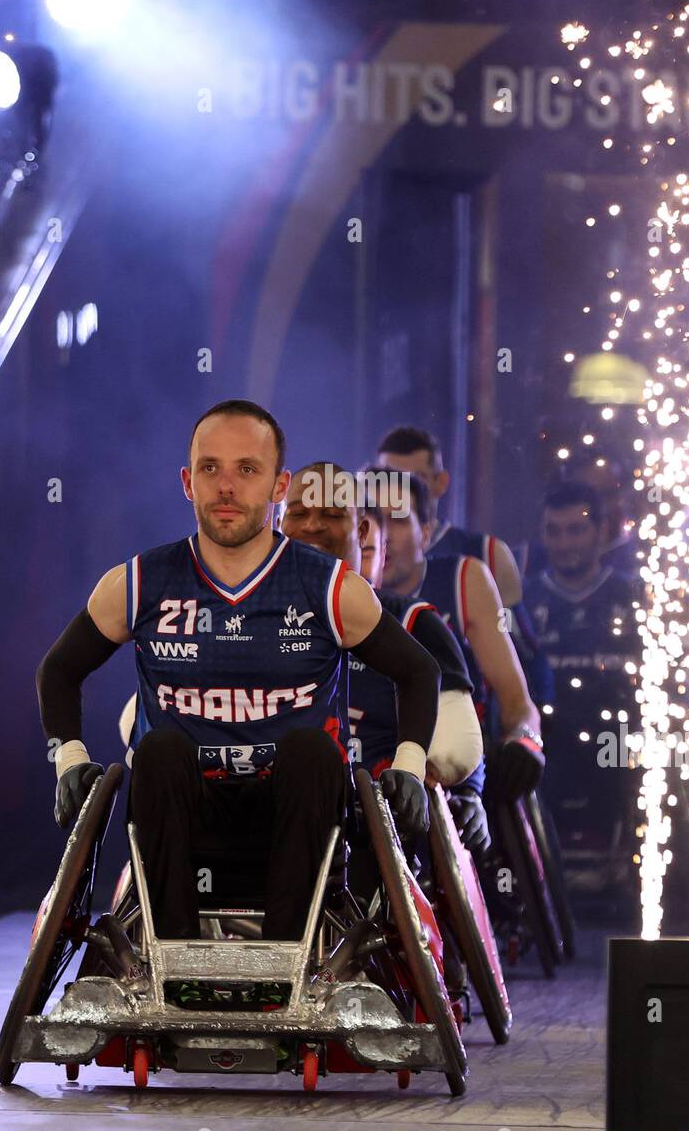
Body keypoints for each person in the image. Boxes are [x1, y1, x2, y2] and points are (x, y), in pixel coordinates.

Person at [35, 400, 441, 942]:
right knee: (156, 751)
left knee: (313, 751)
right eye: (211, 469)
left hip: (299, 806)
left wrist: (410, 766)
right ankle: (171, 961)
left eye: (247, 469)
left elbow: (419, 671)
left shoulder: (331, 586)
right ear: (188, 482)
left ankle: (289, 959)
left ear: (278, 486)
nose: (226, 487)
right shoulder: (138, 582)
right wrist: (69, 760)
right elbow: (59, 669)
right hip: (185, 812)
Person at [280, 461, 489, 854]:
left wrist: (464, 789)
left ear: (364, 538)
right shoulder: (245, 612)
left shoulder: (416, 622)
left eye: (331, 514)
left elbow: (457, 748)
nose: (312, 527)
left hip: (376, 831)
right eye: (299, 514)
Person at [377, 471, 544, 803]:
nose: (383, 536)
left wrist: (526, 741)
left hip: (459, 774)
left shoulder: (464, 578)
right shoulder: (334, 586)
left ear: (425, 534)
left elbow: (517, 701)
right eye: (372, 519)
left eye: (396, 520)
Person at [525, 481, 641, 885]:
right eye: (554, 531)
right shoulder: (525, 600)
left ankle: (624, 869)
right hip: (548, 735)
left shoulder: (634, 596)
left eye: (576, 529)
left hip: (619, 734)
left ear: (601, 531)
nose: (564, 542)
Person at [376, 426, 525, 607]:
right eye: (389, 478)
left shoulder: (487, 553)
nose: (400, 490)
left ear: (441, 482)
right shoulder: (356, 553)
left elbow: (514, 634)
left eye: (415, 479)